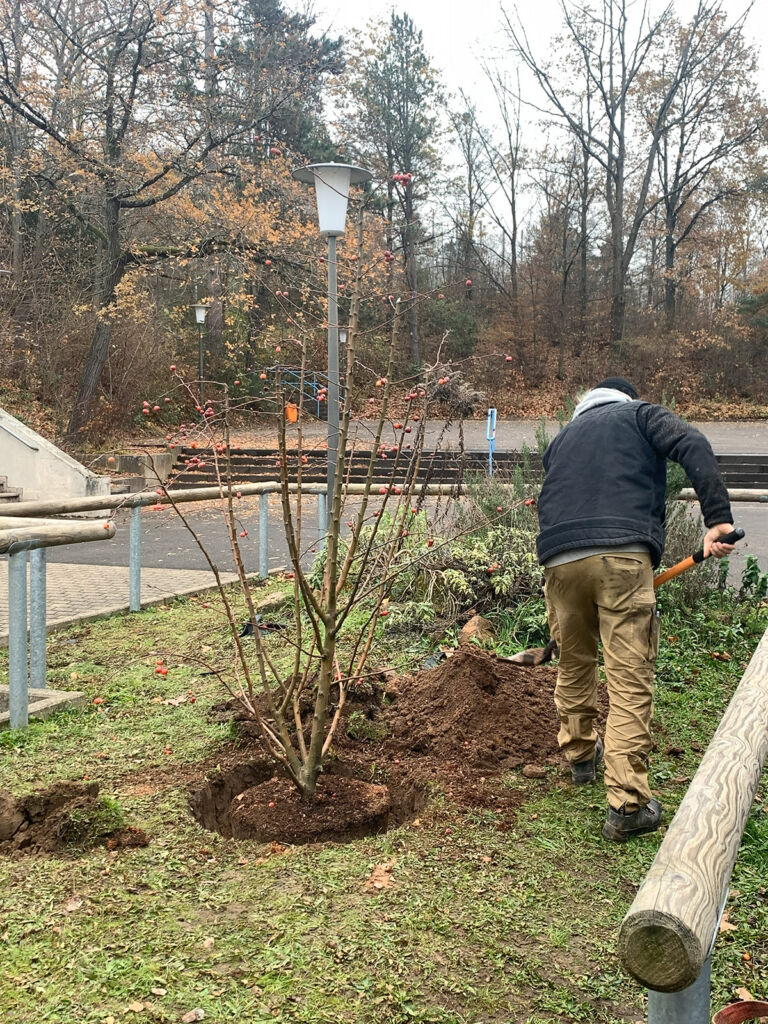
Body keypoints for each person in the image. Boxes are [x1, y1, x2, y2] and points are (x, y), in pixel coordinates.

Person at [536, 377, 736, 842]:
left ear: (584, 405)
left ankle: (581, 757)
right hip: (623, 555)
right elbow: (691, 443)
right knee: (628, 677)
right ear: (624, 398)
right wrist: (718, 519)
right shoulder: (641, 414)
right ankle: (627, 806)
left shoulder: (563, 438)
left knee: (574, 662)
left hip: (558, 559)